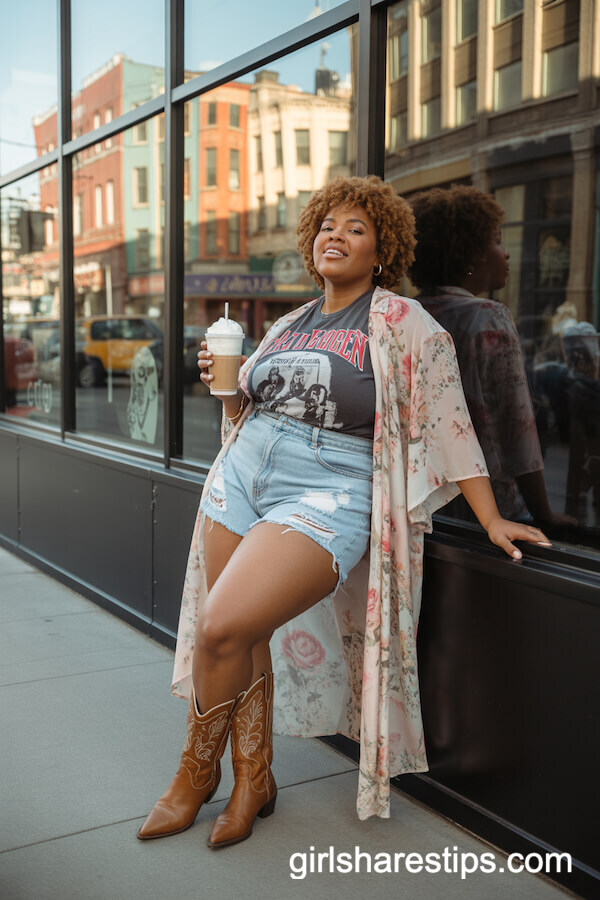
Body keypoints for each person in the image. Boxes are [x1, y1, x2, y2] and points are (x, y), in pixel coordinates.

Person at [137, 176, 552, 846]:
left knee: (220, 627)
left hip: (329, 489)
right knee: (244, 635)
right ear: (312, 242)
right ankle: (253, 778)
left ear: (382, 250)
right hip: (245, 473)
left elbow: (449, 421)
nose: (337, 234)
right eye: (328, 225)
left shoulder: (403, 323)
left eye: (356, 228)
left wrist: (491, 515)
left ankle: (195, 773)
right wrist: (224, 386)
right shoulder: (286, 324)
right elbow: (252, 409)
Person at [408, 184, 572, 529]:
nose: (506, 253)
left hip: (420, 499)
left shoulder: (406, 313)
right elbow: (517, 426)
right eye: (497, 241)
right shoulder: (489, 316)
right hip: (486, 508)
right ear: (470, 254)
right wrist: (545, 514)